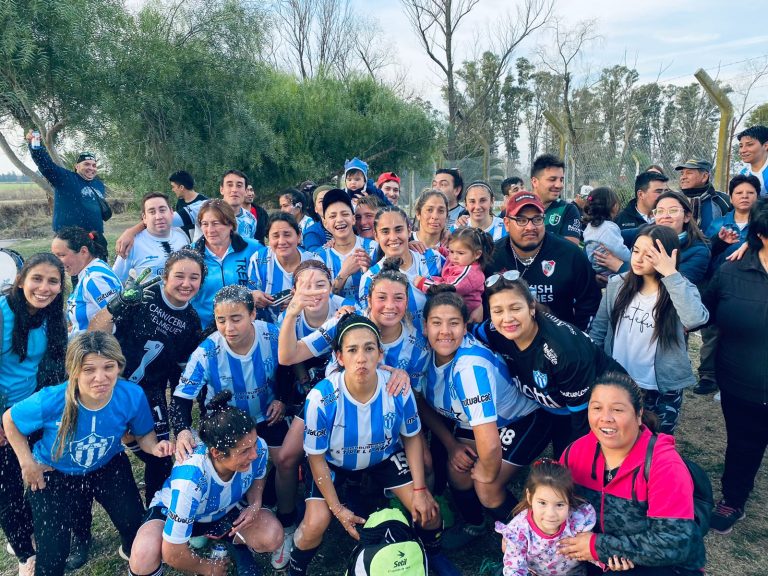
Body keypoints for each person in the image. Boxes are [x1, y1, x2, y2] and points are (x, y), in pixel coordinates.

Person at [288, 314, 458, 576]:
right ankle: (296, 567)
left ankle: (432, 551)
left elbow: (412, 438)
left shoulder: (398, 388)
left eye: (369, 348)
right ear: (340, 357)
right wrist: (337, 509)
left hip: (383, 458)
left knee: (428, 510)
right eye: (352, 350)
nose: (361, 357)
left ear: (380, 354)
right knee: (315, 523)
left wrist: (421, 488)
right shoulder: (321, 398)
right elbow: (316, 458)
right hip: (334, 463)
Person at [2, 331, 175, 576]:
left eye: (109, 367)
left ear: (119, 366)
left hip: (107, 464)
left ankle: (131, 553)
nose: (100, 377)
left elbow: (144, 434)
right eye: (89, 369)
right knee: (53, 554)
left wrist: (154, 447)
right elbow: (10, 420)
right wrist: (27, 463)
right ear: (74, 370)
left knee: (134, 526)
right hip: (55, 472)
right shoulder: (53, 399)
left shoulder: (131, 395)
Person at [416, 287, 546, 548]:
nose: (444, 331)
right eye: (436, 323)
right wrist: (452, 446)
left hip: (523, 419)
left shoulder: (470, 369)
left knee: (486, 487)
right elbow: (419, 403)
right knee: (459, 472)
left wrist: (486, 473)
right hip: (474, 421)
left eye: (454, 323)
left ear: (465, 327)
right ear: (424, 326)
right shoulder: (422, 354)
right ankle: (475, 525)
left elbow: (489, 441)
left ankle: (536, 542)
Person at [558, 372, 706, 575]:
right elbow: (549, 501)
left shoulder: (665, 466)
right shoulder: (575, 452)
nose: (605, 418)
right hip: (599, 558)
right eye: (597, 408)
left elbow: (674, 545)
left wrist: (599, 547)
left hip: (664, 565)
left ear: (638, 415)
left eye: (617, 409)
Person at [90, 249, 205, 501]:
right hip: (113, 385)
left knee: (161, 456)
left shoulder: (191, 322)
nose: (186, 284)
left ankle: (155, 510)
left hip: (150, 393)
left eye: (194, 278)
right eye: (179, 276)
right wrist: (116, 304)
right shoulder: (142, 297)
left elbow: (179, 383)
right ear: (165, 276)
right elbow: (94, 333)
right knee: (99, 449)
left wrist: (181, 426)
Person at [129, 390, 282, 576]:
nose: (254, 454)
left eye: (254, 444)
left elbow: (259, 475)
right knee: (142, 557)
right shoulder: (190, 478)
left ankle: (235, 544)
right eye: (244, 451)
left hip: (225, 509)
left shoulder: (257, 446)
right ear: (216, 453)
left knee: (272, 536)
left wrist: (256, 503)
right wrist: (207, 567)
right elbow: (172, 553)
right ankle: (199, 537)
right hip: (173, 510)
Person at [472, 273, 623, 458]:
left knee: (572, 464)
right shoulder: (494, 330)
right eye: (497, 311)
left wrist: (573, 457)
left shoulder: (563, 352)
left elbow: (581, 419)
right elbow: (467, 334)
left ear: (532, 307)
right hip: (547, 405)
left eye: (515, 308)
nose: (507, 318)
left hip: (596, 403)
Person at [269, 261, 356, 570]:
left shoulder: (345, 310)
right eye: (306, 285)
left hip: (348, 395)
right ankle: (287, 521)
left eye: (321, 284)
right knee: (286, 458)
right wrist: (292, 313)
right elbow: (285, 359)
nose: (314, 291)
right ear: (295, 291)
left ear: (331, 285)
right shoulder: (289, 317)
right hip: (314, 396)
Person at [589, 225, 708, 434]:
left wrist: (670, 273)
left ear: (668, 257)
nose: (638, 258)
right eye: (636, 251)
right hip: (619, 379)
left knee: (656, 442)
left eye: (649, 254)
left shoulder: (680, 288)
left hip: (660, 387)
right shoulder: (618, 284)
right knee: (618, 436)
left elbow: (696, 319)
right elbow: (599, 330)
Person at [172, 285, 288, 484]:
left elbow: (289, 367)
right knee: (228, 468)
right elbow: (182, 397)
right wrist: (182, 430)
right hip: (227, 423)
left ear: (252, 314)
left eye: (236, 319)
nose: (229, 328)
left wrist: (282, 399)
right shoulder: (206, 351)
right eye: (221, 320)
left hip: (267, 416)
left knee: (285, 460)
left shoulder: (272, 335)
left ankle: (285, 511)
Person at [700, 197, 768, 534]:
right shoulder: (732, 271)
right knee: (743, 442)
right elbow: (702, 312)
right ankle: (734, 496)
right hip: (743, 382)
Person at [0, 253, 67, 576]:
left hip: (35, 410)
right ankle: (26, 553)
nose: (44, 288)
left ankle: (42, 535)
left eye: (52, 281)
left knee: (40, 476)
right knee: (6, 489)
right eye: (37, 279)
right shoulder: (2, 314)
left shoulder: (53, 316)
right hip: (3, 415)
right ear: (22, 279)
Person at [486, 191, 601, 332]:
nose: (530, 227)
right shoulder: (492, 257)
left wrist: (576, 340)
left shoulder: (570, 254)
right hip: (506, 343)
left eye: (537, 219)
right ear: (507, 223)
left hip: (559, 342)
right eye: (521, 220)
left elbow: (590, 303)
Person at [695, 174, 760, 395]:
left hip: (751, 287)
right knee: (711, 331)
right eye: (739, 193)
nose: (744, 197)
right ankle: (707, 375)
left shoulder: (762, 225)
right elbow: (706, 253)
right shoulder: (718, 224)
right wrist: (719, 243)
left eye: (750, 193)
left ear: (757, 197)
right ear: (731, 198)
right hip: (718, 284)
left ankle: (740, 374)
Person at [494, 460, 601, 576]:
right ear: (530, 497)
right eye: (542, 503)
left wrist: (607, 561)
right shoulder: (518, 531)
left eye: (559, 505)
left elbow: (589, 551)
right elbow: (514, 569)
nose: (551, 514)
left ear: (569, 502)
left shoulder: (577, 521)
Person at [360, 206, 444, 331]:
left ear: (409, 231)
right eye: (385, 231)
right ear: (376, 236)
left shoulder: (434, 259)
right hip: (402, 350)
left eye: (398, 230)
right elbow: (371, 326)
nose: (393, 237)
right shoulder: (369, 278)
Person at [189, 199, 262, 328]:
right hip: (203, 329)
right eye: (205, 224)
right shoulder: (190, 253)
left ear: (230, 224)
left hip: (245, 327)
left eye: (216, 223)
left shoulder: (254, 248)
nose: (210, 230)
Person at [26, 130, 108, 233]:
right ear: (77, 166)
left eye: (94, 165)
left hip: (96, 239)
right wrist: (34, 144)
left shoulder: (98, 184)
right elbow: (44, 163)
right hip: (69, 240)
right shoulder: (65, 178)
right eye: (86, 164)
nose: (91, 168)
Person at [248, 212, 320, 322]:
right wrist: (252, 295)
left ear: (299, 236)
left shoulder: (314, 262)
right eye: (275, 236)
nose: (281, 241)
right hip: (267, 329)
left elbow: (326, 298)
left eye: (287, 234)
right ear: (268, 239)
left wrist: (300, 304)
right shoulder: (259, 260)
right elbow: (248, 294)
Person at [51, 226, 122, 336]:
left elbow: (117, 321)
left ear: (84, 251)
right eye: (54, 256)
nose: (56, 262)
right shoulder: (89, 271)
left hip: (94, 350)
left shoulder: (94, 279)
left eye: (61, 255)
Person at [414, 226, 492, 320]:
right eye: (452, 251)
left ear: (477, 254)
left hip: (464, 315)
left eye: (460, 253)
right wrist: (441, 250)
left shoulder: (469, 273)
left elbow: (448, 289)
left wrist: (423, 283)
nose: (454, 257)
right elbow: (451, 252)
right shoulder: (461, 260)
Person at [112, 192, 188, 283]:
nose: (158, 217)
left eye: (162, 210)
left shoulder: (182, 237)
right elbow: (115, 281)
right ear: (144, 217)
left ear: (171, 212)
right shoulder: (132, 244)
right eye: (152, 212)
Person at [315, 189, 375, 303]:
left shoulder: (374, 248)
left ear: (353, 219)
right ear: (325, 223)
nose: (339, 220)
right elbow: (319, 301)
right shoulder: (319, 258)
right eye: (332, 216)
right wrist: (344, 273)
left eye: (345, 214)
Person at [652, 191, 710, 284]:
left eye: (673, 210)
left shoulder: (699, 251)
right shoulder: (646, 236)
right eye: (660, 211)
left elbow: (681, 287)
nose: (665, 216)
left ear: (687, 216)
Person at [530, 154, 581, 244]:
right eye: (552, 179)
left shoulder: (568, 210)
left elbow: (570, 250)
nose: (559, 185)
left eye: (561, 180)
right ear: (535, 182)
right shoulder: (516, 209)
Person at [582, 187, 631, 277]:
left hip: (596, 269)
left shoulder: (590, 226)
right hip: (609, 270)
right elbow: (618, 250)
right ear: (614, 206)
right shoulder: (609, 227)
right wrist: (631, 257)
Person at [675, 157, 730, 234]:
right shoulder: (674, 199)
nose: (683, 177)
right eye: (682, 173)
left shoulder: (722, 200)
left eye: (689, 173)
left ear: (704, 177)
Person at [169, 170, 207, 240]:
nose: (172, 190)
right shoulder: (180, 202)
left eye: (173, 186)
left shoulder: (204, 203)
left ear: (181, 187)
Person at [736, 125, 768, 196]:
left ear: (765, 146)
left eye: (749, 145)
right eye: (741, 146)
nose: (743, 150)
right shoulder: (743, 173)